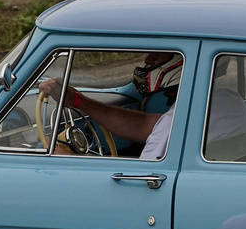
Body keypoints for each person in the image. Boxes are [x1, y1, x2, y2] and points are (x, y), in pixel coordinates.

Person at [43, 52, 181, 155]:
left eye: (158, 53)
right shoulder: (186, 112)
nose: (148, 59)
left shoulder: (193, 118)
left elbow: (141, 182)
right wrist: (77, 100)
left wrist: (68, 162)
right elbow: (144, 125)